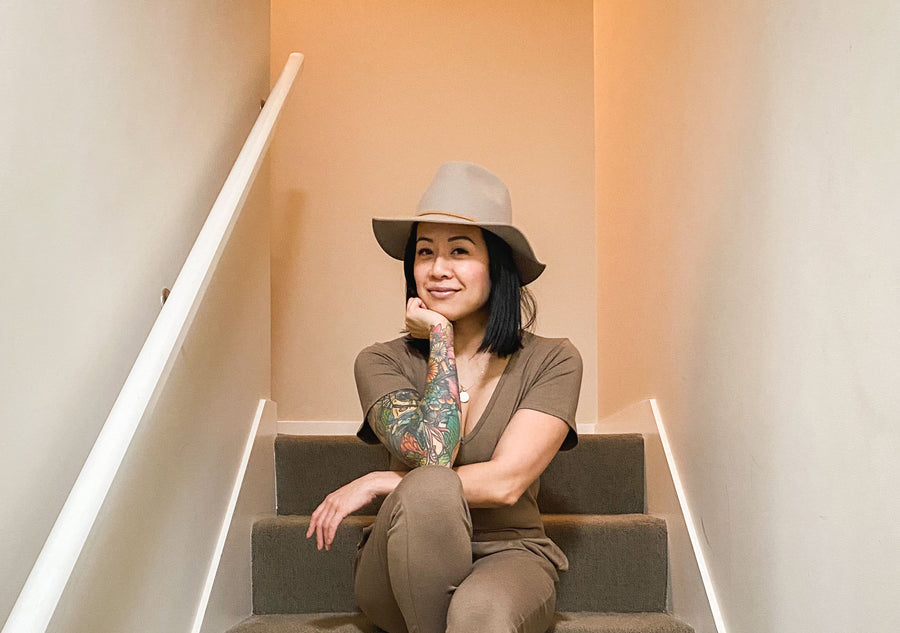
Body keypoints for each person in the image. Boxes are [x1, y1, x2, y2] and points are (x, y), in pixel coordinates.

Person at [306, 161, 582, 633]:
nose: (437, 269)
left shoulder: (553, 360)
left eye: (459, 251)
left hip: (508, 553)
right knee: (431, 485)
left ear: (497, 265)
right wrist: (440, 338)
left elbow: (506, 484)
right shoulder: (380, 361)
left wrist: (380, 480)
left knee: (478, 617)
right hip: (401, 558)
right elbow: (434, 458)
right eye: (424, 252)